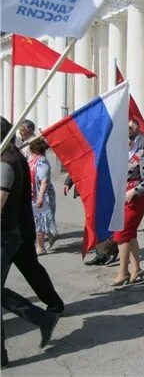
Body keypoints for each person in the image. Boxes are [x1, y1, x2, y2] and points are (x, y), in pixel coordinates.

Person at [1, 117, 59, 368]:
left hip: (10, 230)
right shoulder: (12, 157)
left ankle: (46, 313)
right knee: (31, 269)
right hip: (15, 228)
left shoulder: (7, 162)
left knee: (31, 269)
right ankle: (44, 316)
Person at [111, 135, 144, 286]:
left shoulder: (142, 154)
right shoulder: (118, 154)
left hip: (136, 199)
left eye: (128, 138)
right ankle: (136, 269)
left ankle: (123, 272)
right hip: (120, 199)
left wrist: (134, 191)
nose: (125, 141)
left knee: (121, 234)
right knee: (130, 235)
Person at [28, 138, 58, 255]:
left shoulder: (42, 162)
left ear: (33, 148)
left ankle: (40, 248)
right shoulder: (33, 160)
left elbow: (44, 181)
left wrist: (40, 197)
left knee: (39, 221)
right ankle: (52, 234)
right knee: (39, 220)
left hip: (43, 196)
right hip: (34, 195)